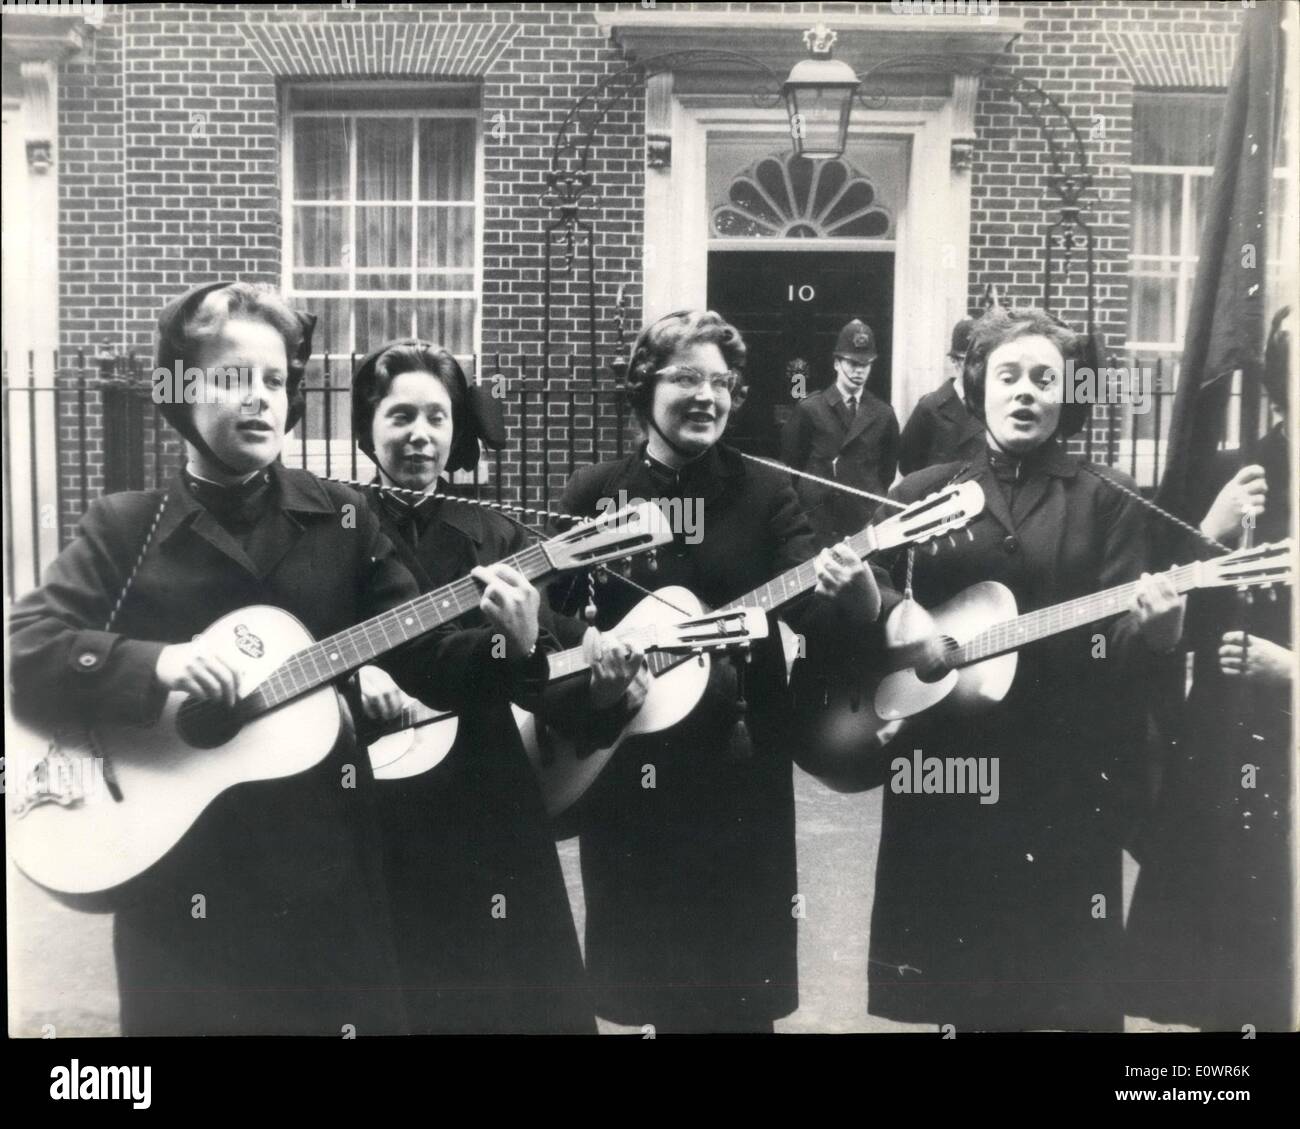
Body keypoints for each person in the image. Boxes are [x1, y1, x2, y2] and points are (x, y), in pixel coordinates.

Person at [7, 283, 543, 1036]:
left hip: (325, 887)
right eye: (233, 378)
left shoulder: (344, 519)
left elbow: (423, 653)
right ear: (181, 391)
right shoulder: (126, 526)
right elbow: (25, 647)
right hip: (178, 886)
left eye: (275, 380)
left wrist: (508, 644)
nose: (260, 398)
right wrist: (155, 664)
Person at [549, 309, 886, 1033]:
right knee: (648, 990)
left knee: (738, 994)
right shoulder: (593, 490)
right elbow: (552, 620)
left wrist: (854, 592)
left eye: (722, 382)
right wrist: (594, 647)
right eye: (687, 378)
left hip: (738, 770)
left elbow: (812, 606)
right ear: (643, 388)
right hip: (632, 763)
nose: (708, 395)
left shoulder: (764, 493)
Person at [865, 307, 1186, 1031]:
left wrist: (1159, 632)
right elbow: (864, 594)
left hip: (1063, 781)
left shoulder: (1107, 497)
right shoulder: (921, 491)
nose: (1026, 392)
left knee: (1065, 1001)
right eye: (1008, 375)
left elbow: (1121, 645)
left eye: (1045, 378)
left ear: (1066, 394)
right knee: (961, 999)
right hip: (949, 774)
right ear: (975, 385)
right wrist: (897, 613)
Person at [346, 339, 642, 1034]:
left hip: (480, 794)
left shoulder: (497, 534)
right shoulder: (335, 522)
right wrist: (355, 672)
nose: (420, 434)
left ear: (456, 430)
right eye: (400, 416)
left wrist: (597, 688)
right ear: (368, 428)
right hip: (370, 791)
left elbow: (542, 666)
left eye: (437, 417)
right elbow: (300, 635)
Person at [1125, 308, 1294, 1030]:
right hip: (1234, 748)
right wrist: (1211, 534)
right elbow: (1157, 612)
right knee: (1230, 984)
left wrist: (1290, 667)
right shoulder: (1239, 479)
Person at [781, 318, 899, 547]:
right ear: (837, 363)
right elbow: (792, 467)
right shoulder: (810, 409)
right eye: (852, 362)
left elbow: (887, 472)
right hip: (819, 523)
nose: (859, 370)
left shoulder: (883, 414)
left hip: (861, 522)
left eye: (865, 364)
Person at [897, 317, 984, 475]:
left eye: (977, 361)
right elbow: (907, 464)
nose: (973, 369)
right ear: (954, 360)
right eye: (966, 361)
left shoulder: (991, 407)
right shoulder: (930, 407)